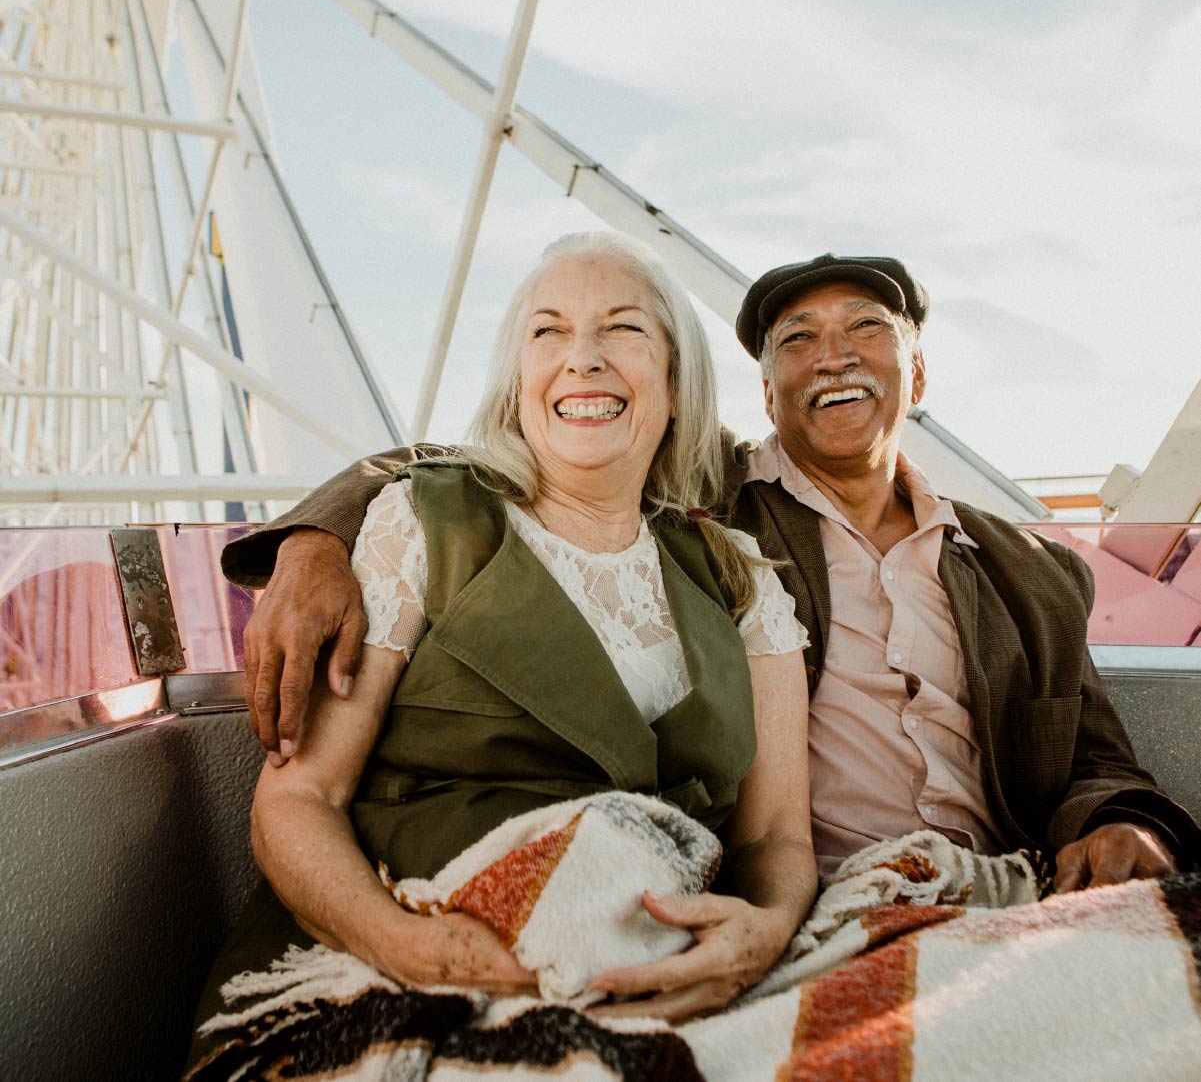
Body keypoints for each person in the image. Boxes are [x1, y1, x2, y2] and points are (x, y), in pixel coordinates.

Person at [223, 252, 1200, 892]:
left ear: (918, 369)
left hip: (1007, 883)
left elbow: (1098, 762)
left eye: (865, 329)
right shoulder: (712, 512)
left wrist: (1127, 826)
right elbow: (483, 461)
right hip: (825, 892)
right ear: (763, 389)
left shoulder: (1033, 571)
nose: (833, 359)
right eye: (796, 343)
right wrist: (313, 543)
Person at [188, 232, 818, 1067]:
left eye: (623, 329)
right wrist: (408, 946)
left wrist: (765, 930)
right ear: (516, 380)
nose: (582, 359)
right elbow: (296, 800)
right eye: (547, 332)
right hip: (400, 959)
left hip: (663, 973)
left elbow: (774, 834)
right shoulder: (424, 525)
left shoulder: (736, 577)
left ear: (674, 381)